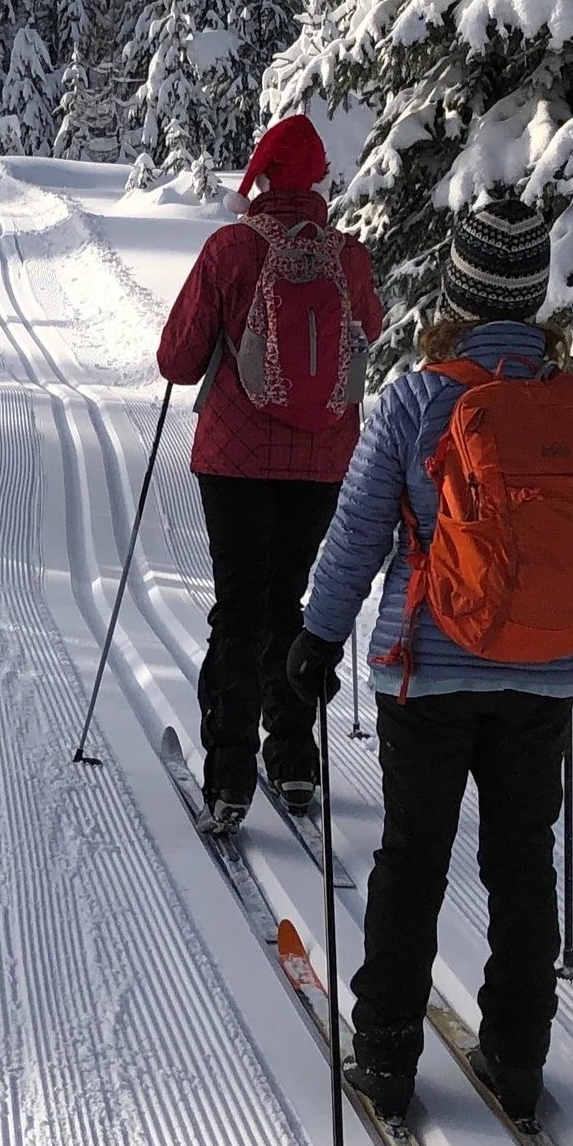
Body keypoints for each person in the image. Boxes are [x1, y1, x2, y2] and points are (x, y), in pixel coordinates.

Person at [286, 193, 573, 1127]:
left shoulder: (415, 399)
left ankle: (387, 1060)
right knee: (521, 862)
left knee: (413, 859)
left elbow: (360, 531)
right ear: (532, 297)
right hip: (545, 674)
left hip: (426, 668)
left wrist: (319, 636)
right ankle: (517, 1061)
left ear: (457, 286)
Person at [156, 114, 383, 831]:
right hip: (322, 460)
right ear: (316, 178)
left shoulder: (229, 248)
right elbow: (367, 333)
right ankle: (293, 761)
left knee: (240, 608)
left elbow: (178, 360)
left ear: (258, 179)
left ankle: (228, 778)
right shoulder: (349, 257)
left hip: (235, 458)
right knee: (292, 604)